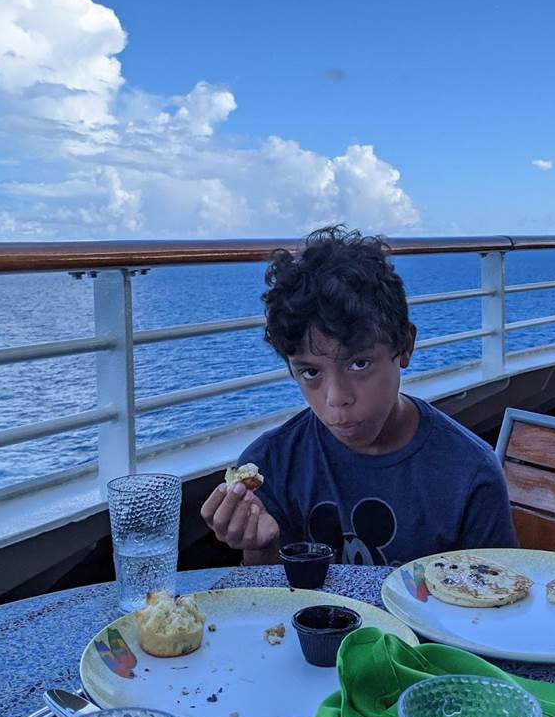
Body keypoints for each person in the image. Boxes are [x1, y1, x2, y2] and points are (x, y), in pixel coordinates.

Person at [200, 226, 516, 566]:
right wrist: (260, 548)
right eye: (311, 372)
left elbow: (494, 591)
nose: (336, 398)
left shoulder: (469, 472)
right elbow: (264, 596)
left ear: (404, 346)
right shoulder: (273, 463)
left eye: (358, 364)